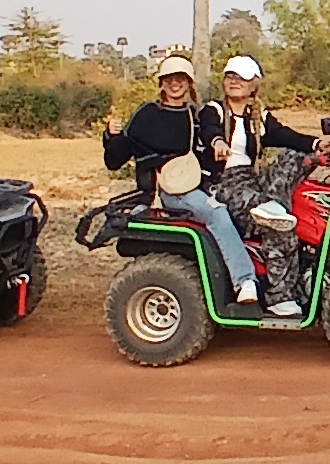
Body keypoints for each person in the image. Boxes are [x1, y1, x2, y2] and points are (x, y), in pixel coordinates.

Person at [101, 51, 266, 311]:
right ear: (161, 83)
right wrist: (112, 136)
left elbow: (211, 143)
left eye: (180, 78)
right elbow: (115, 160)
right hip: (166, 190)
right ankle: (245, 282)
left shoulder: (194, 117)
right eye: (169, 78)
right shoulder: (147, 114)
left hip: (194, 185)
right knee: (217, 215)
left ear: (189, 83)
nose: (175, 83)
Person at [198, 52, 330, 317]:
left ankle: (275, 206)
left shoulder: (257, 116)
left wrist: (316, 145)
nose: (235, 82)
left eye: (242, 78)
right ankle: (279, 296)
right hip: (223, 183)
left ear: (253, 85)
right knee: (280, 229)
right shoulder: (212, 111)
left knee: (296, 156)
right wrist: (217, 143)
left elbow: (284, 135)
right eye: (231, 76)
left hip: (250, 178)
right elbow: (209, 130)